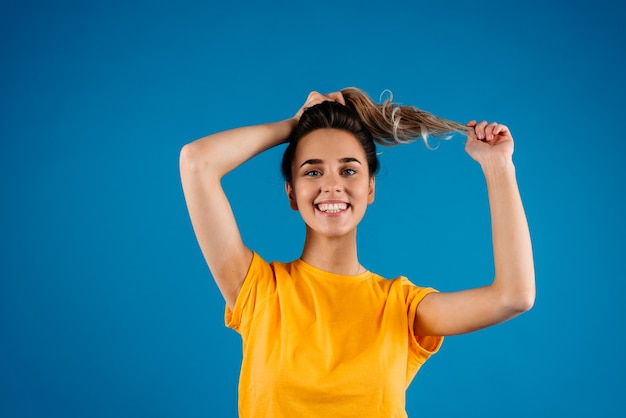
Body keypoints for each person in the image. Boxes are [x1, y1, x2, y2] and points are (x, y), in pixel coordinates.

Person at [179, 88, 535, 418]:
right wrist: (294, 124)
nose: (332, 184)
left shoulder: (399, 306)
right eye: (312, 171)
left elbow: (513, 296)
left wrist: (498, 166)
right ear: (291, 192)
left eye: (348, 170)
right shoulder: (257, 291)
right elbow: (197, 161)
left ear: (370, 189)